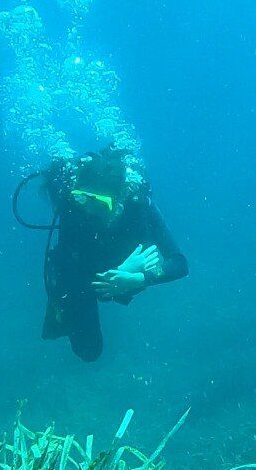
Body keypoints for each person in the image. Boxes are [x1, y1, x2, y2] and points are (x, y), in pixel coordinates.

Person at [33, 148, 188, 362]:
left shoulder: (138, 207)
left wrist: (138, 278)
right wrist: (115, 277)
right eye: (83, 199)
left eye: (99, 203)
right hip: (81, 272)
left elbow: (179, 263)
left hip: (119, 272)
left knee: (89, 350)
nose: (88, 210)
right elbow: (69, 272)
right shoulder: (73, 206)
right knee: (89, 351)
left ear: (119, 200)